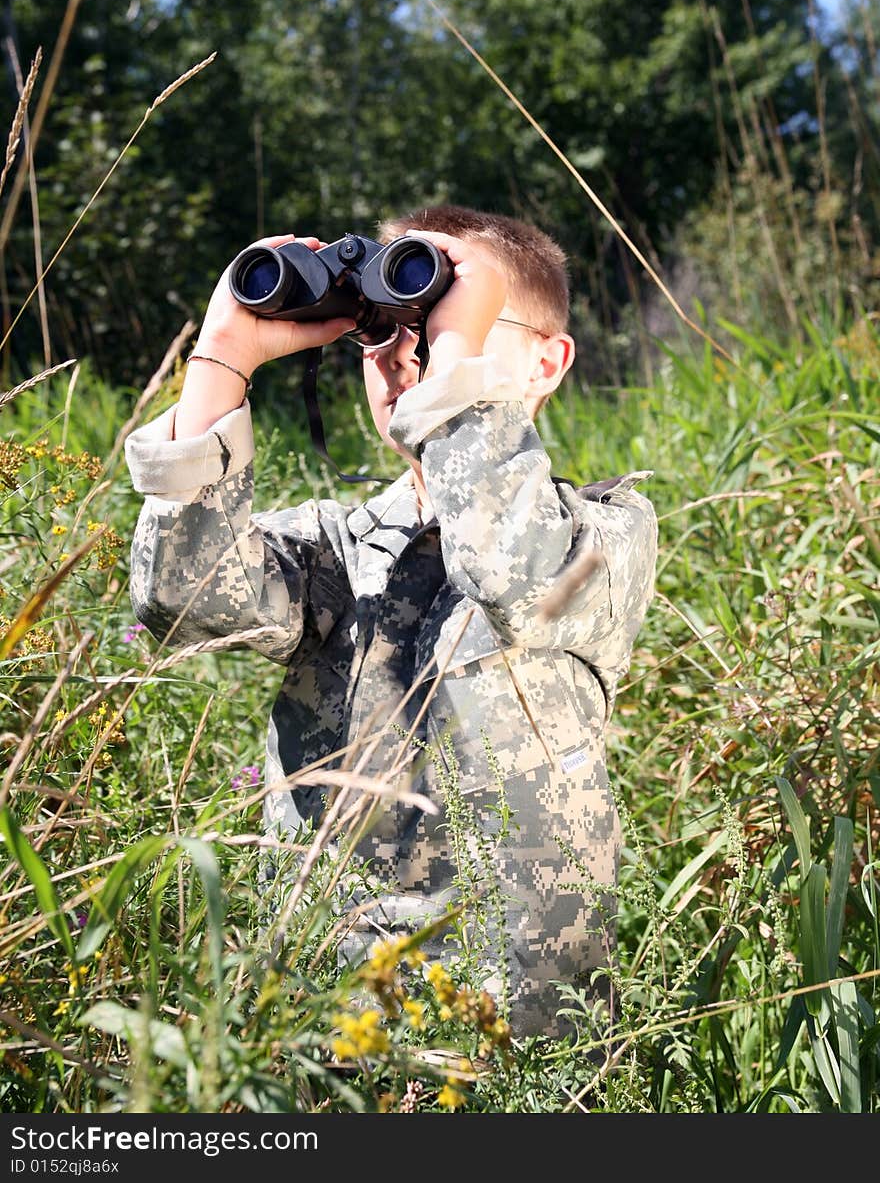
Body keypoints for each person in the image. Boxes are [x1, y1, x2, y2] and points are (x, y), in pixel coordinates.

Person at [123, 203, 658, 1040]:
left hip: (521, 1024)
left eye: (443, 322)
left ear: (548, 362)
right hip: (323, 1015)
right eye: (383, 329)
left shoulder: (601, 537)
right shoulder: (333, 544)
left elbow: (510, 575)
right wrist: (224, 352)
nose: (408, 353)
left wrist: (454, 374)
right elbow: (186, 605)